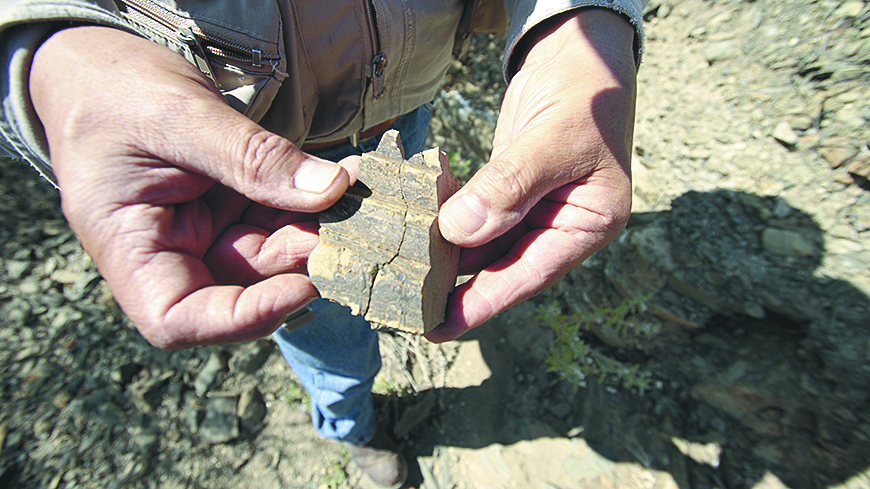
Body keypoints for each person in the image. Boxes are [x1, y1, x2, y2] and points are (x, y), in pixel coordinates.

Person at [1, 0, 642, 487]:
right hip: (221, 140)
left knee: (420, 246)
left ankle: (380, 357)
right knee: (322, 327)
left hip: (401, 106)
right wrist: (55, 54)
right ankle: (352, 423)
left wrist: (581, 28)